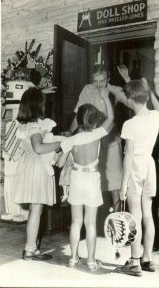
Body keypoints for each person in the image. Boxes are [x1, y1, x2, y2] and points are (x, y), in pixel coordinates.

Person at [68, 65, 131, 232]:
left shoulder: (115, 90)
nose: (98, 84)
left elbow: (133, 101)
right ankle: (92, 227)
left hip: (110, 144)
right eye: (95, 81)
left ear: (108, 78)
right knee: (94, 187)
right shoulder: (87, 90)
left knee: (114, 185)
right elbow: (78, 116)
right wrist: (69, 132)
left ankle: (116, 227)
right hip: (90, 145)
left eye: (101, 81)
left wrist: (127, 80)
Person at [58, 90, 114, 271]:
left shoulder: (71, 140)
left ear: (79, 121)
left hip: (76, 178)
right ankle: (90, 260)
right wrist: (105, 97)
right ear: (95, 121)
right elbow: (111, 119)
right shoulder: (96, 134)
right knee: (91, 223)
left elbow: (59, 164)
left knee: (76, 222)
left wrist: (64, 152)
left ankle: (73, 258)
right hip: (91, 179)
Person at [114, 79, 159, 277]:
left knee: (134, 216)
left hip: (135, 167)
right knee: (147, 214)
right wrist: (150, 90)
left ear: (129, 100)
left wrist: (122, 185)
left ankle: (134, 262)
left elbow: (128, 156)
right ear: (145, 97)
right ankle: (147, 258)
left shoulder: (130, 124)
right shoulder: (154, 117)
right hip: (149, 165)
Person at [13, 87, 63, 260]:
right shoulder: (34, 126)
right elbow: (38, 147)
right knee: (37, 209)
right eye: (42, 103)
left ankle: (31, 247)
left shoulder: (24, 125)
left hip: (29, 167)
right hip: (37, 170)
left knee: (36, 209)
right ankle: (30, 249)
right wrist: (58, 144)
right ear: (37, 106)